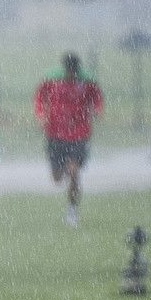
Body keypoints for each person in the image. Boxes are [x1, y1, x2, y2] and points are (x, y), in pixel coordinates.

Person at [35, 52, 103, 227]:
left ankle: (72, 211)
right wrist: (41, 115)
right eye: (69, 71)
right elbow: (39, 98)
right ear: (64, 68)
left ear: (78, 69)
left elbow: (97, 98)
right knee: (57, 178)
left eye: (74, 71)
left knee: (74, 172)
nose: (72, 75)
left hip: (79, 133)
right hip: (55, 133)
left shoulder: (87, 82)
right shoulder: (51, 80)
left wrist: (97, 110)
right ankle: (65, 169)